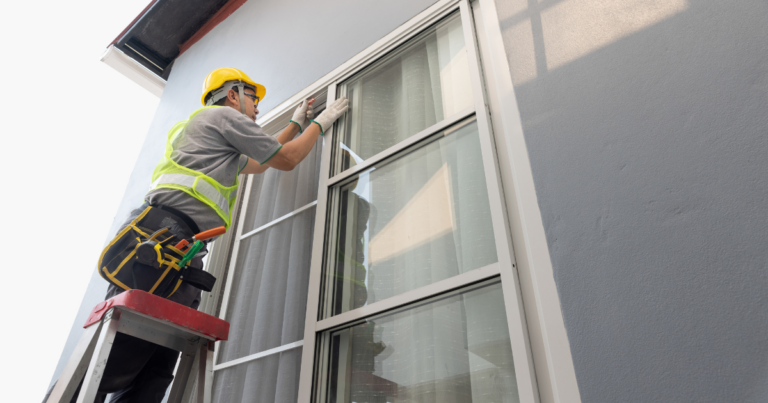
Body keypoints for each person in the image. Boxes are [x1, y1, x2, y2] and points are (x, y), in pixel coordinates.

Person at [45, 67, 348, 402]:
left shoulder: (207, 129)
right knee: (123, 347)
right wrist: (322, 122)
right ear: (232, 94)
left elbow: (261, 162)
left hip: (177, 243)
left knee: (158, 355)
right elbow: (287, 159)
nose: (258, 107)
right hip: (164, 239)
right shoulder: (222, 117)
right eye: (253, 97)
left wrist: (296, 124)